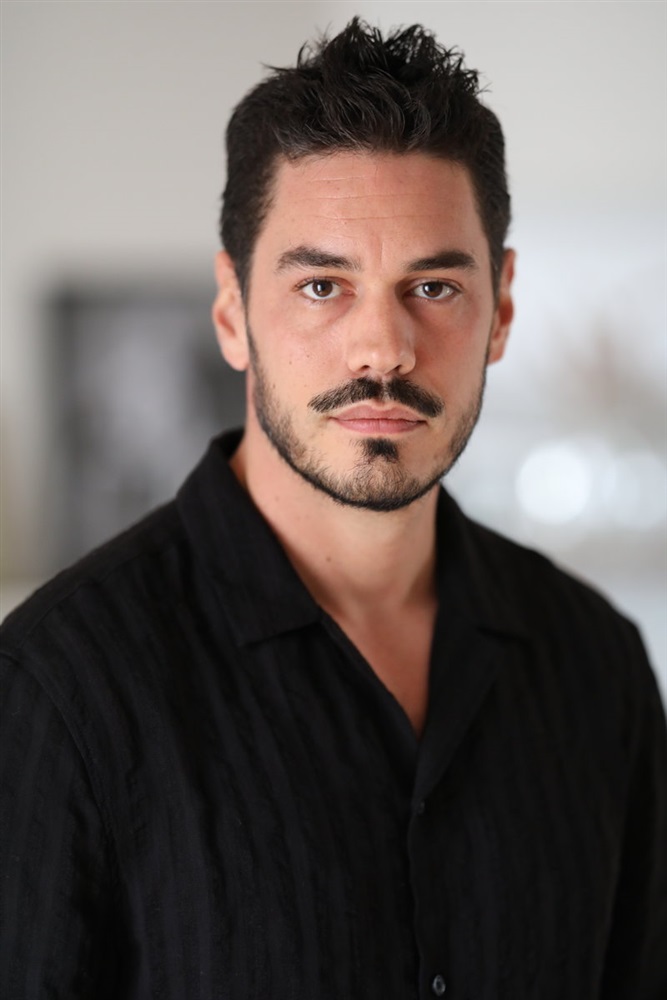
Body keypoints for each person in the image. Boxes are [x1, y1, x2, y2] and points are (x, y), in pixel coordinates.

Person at [1, 18, 665, 1000]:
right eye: (322, 285)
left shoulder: (595, 665)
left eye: (431, 285)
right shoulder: (59, 686)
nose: (382, 348)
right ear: (231, 311)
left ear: (501, 307)